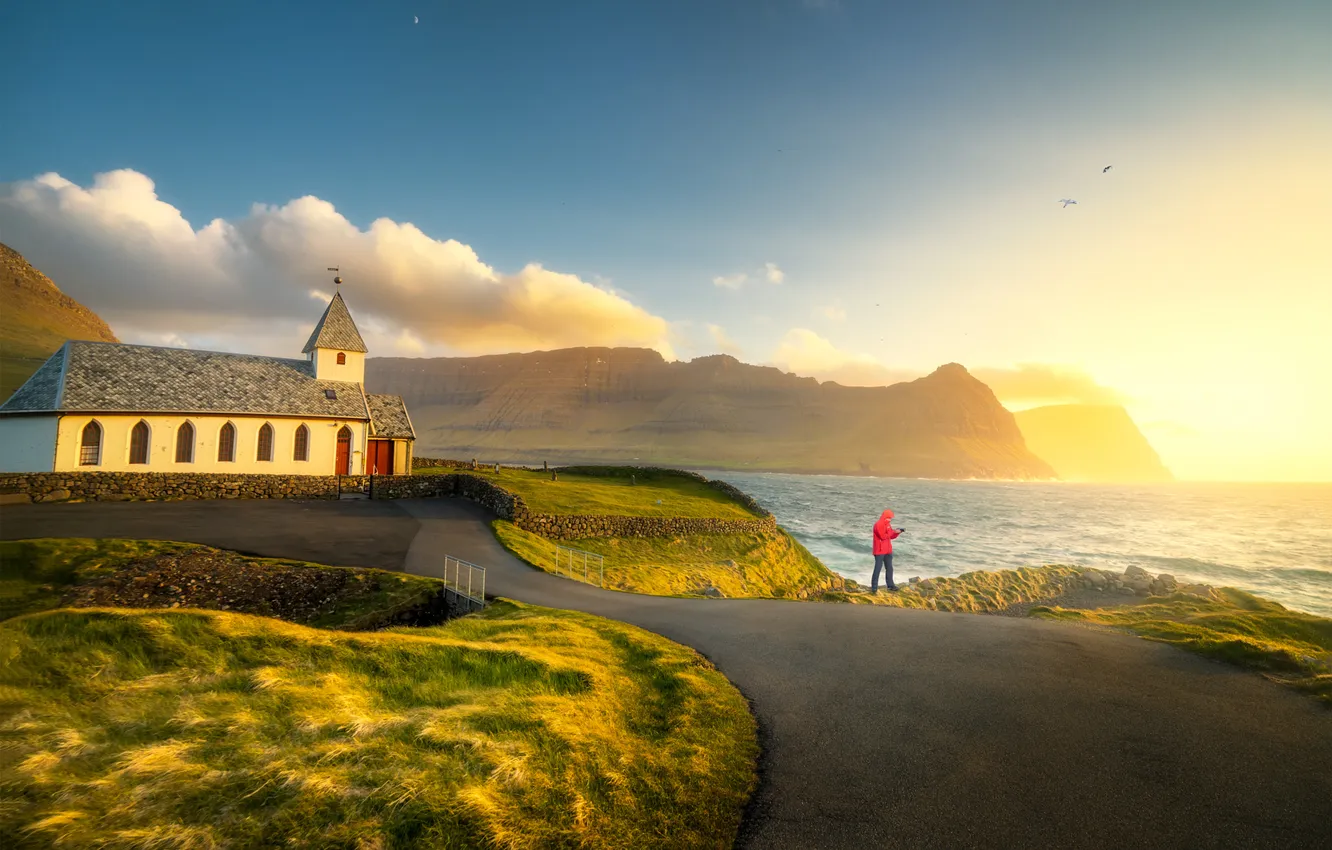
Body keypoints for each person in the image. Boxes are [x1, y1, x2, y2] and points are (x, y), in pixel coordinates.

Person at [871, 509, 903, 592]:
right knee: (877, 568)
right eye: (889, 517)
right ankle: (874, 587)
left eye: (891, 518)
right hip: (879, 550)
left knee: (889, 568)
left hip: (888, 550)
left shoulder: (888, 524)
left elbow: (890, 536)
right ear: (885, 517)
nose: (890, 519)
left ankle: (890, 585)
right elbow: (883, 536)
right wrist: (892, 532)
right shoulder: (878, 525)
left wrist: (896, 532)